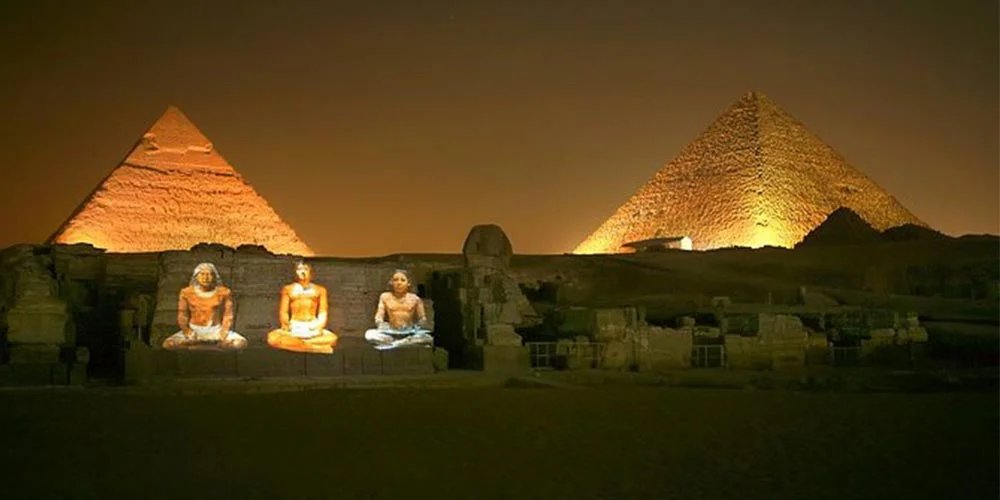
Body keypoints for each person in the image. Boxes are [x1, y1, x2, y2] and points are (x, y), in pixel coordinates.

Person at [162, 262, 247, 350]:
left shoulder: (224, 292)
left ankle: (203, 346)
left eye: (209, 274)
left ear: (214, 277)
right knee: (168, 344)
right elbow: (182, 314)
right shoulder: (186, 292)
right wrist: (186, 330)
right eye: (202, 274)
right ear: (196, 276)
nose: (206, 278)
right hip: (194, 331)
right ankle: (204, 346)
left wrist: (224, 330)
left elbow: (228, 314)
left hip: (216, 330)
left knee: (240, 343)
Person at [266, 261, 338, 354]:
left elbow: (323, 312)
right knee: (273, 338)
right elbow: (284, 312)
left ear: (311, 272)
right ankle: (313, 348)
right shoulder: (288, 289)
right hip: (295, 326)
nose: (302, 272)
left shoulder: (320, 290)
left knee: (332, 339)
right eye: (299, 269)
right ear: (295, 272)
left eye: (305, 269)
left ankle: (300, 346)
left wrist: (318, 326)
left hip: (312, 326)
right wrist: (286, 326)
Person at [364, 269, 433, 350]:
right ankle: (402, 343)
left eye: (403, 280)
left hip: (409, 333)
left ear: (408, 283)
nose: (399, 283)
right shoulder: (385, 297)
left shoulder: (415, 299)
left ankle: (395, 344)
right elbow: (378, 317)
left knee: (427, 338)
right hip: (391, 332)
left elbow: (422, 318)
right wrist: (380, 323)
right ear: (391, 283)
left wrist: (420, 324)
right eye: (395, 280)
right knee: (369, 334)